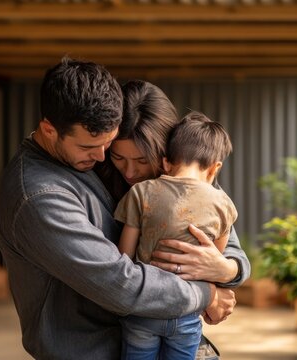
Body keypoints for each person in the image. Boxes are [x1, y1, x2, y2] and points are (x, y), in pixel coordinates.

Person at [0, 58, 240, 360]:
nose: (101, 157)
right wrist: (206, 295)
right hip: (94, 350)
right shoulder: (40, 196)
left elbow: (229, 244)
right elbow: (120, 283)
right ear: (49, 130)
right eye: (89, 147)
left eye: (107, 145)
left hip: (168, 336)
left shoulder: (166, 170)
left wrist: (229, 270)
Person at [114, 112, 238, 359]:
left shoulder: (141, 192)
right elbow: (215, 260)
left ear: (166, 162)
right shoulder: (223, 204)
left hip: (143, 311)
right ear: (215, 168)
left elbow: (123, 258)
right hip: (186, 313)